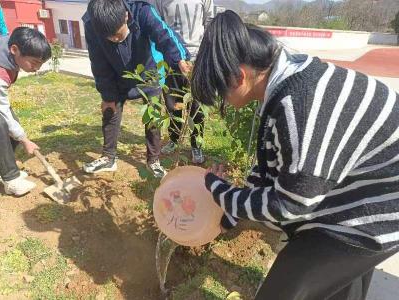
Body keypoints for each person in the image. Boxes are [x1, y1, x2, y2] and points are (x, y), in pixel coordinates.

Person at [191, 10, 399, 300]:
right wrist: (230, 213)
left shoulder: (299, 107)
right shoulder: (288, 76)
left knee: (282, 292)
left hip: (380, 208)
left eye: (220, 94)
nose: (223, 103)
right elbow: (276, 166)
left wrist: (220, 192)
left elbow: (289, 205)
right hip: (367, 183)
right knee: (340, 285)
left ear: (239, 77)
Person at [82, 0, 191, 177]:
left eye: (118, 35)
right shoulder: (91, 23)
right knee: (110, 109)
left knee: (152, 114)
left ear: (126, 16)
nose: (115, 40)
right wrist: (107, 95)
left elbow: (164, 35)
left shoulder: (142, 11)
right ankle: (108, 158)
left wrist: (180, 59)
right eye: (109, 38)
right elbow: (98, 63)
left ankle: (153, 161)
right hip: (116, 72)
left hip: (148, 70)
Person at [150, 0, 214, 164]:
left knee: (197, 107)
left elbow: (209, 23)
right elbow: (157, 25)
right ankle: (174, 138)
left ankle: (196, 145)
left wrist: (205, 55)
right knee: (173, 103)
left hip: (197, 59)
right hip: (172, 59)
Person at [0, 27, 51, 196]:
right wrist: (25, 140)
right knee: (1, 124)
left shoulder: (9, 48)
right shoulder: (0, 71)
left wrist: (20, 135)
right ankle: (10, 179)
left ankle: (4, 167)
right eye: (34, 63)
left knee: (12, 124)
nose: (36, 68)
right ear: (14, 50)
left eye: (40, 64)